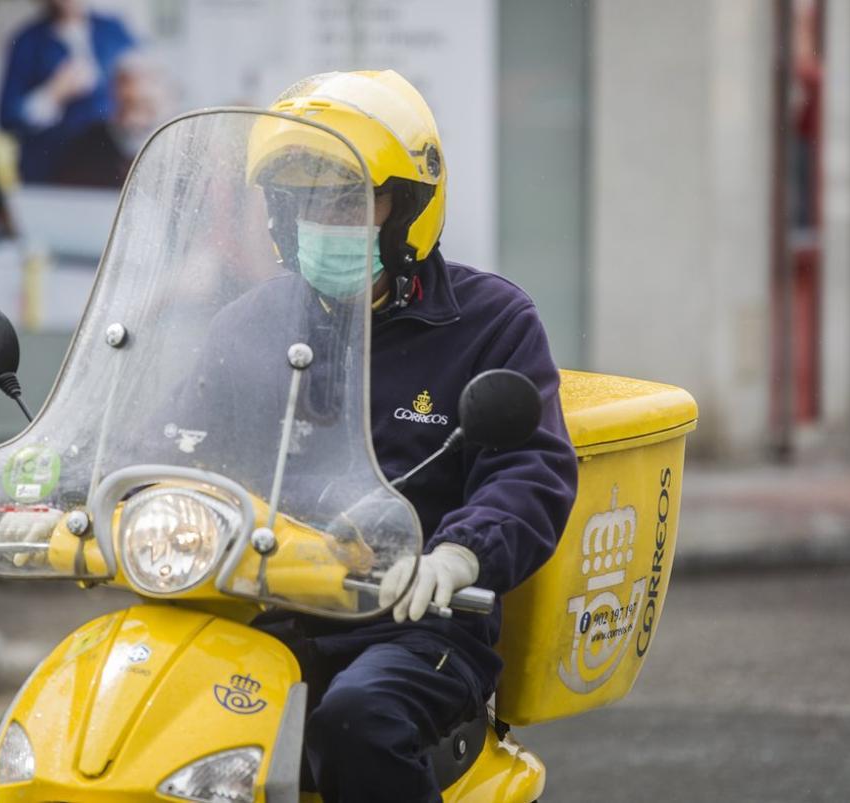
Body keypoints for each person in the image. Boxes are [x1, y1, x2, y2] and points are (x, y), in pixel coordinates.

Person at [239, 71, 579, 802]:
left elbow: (531, 467)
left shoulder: (491, 322)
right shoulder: (255, 323)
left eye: (350, 198)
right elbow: (182, 435)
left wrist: (459, 554)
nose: (321, 219)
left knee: (358, 719)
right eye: (302, 202)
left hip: (419, 624)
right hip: (269, 610)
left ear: (410, 208)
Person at [0, 0, 135, 184]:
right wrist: (53, 93)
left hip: (107, 166)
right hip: (49, 169)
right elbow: (8, 117)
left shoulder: (113, 31)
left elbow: (141, 78)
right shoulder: (28, 41)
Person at [51, 48, 177, 188]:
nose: (134, 120)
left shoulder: (183, 145)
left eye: (146, 108)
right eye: (126, 107)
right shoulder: (89, 142)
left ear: (170, 103)